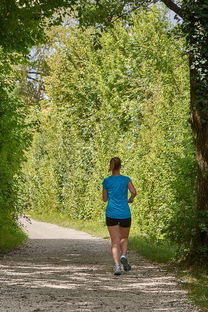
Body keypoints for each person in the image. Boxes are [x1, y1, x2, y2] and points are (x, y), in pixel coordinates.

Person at [102, 157, 137, 275]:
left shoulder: (106, 181)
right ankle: (123, 255)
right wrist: (130, 199)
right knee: (124, 238)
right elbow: (134, 192)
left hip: (111, 213)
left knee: (115, 242)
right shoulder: (126, 179)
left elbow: (104, 199)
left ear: (111, 166)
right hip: (124, 213)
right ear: (120, 166)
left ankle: (117, 267)